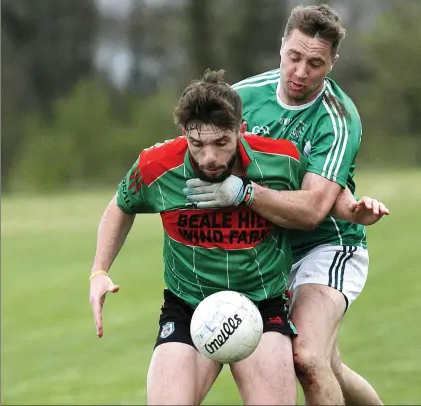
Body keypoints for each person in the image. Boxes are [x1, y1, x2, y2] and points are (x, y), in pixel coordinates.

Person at [89, 69, 386, 406]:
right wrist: (99, 270)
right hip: (188, 306)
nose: (210, 157)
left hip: (262, 306)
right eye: (198, 144)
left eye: (221, 142)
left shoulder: (279, 159)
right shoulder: (156, 166)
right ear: (184, 132)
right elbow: (121, 205)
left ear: (241, 131)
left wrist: (354, 209)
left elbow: (319, 192)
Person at [184, 4, 387, 406]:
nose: (300, 72)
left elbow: (313, 210)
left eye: (315, 63)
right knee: (330, 367)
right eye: (294, 57)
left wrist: (244, 193)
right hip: (264, 247)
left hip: (326, 246)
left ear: (333, 63)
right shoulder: (242, 98)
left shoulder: (338, 118)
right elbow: (196, 151)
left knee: (307, 358)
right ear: (281, 46)